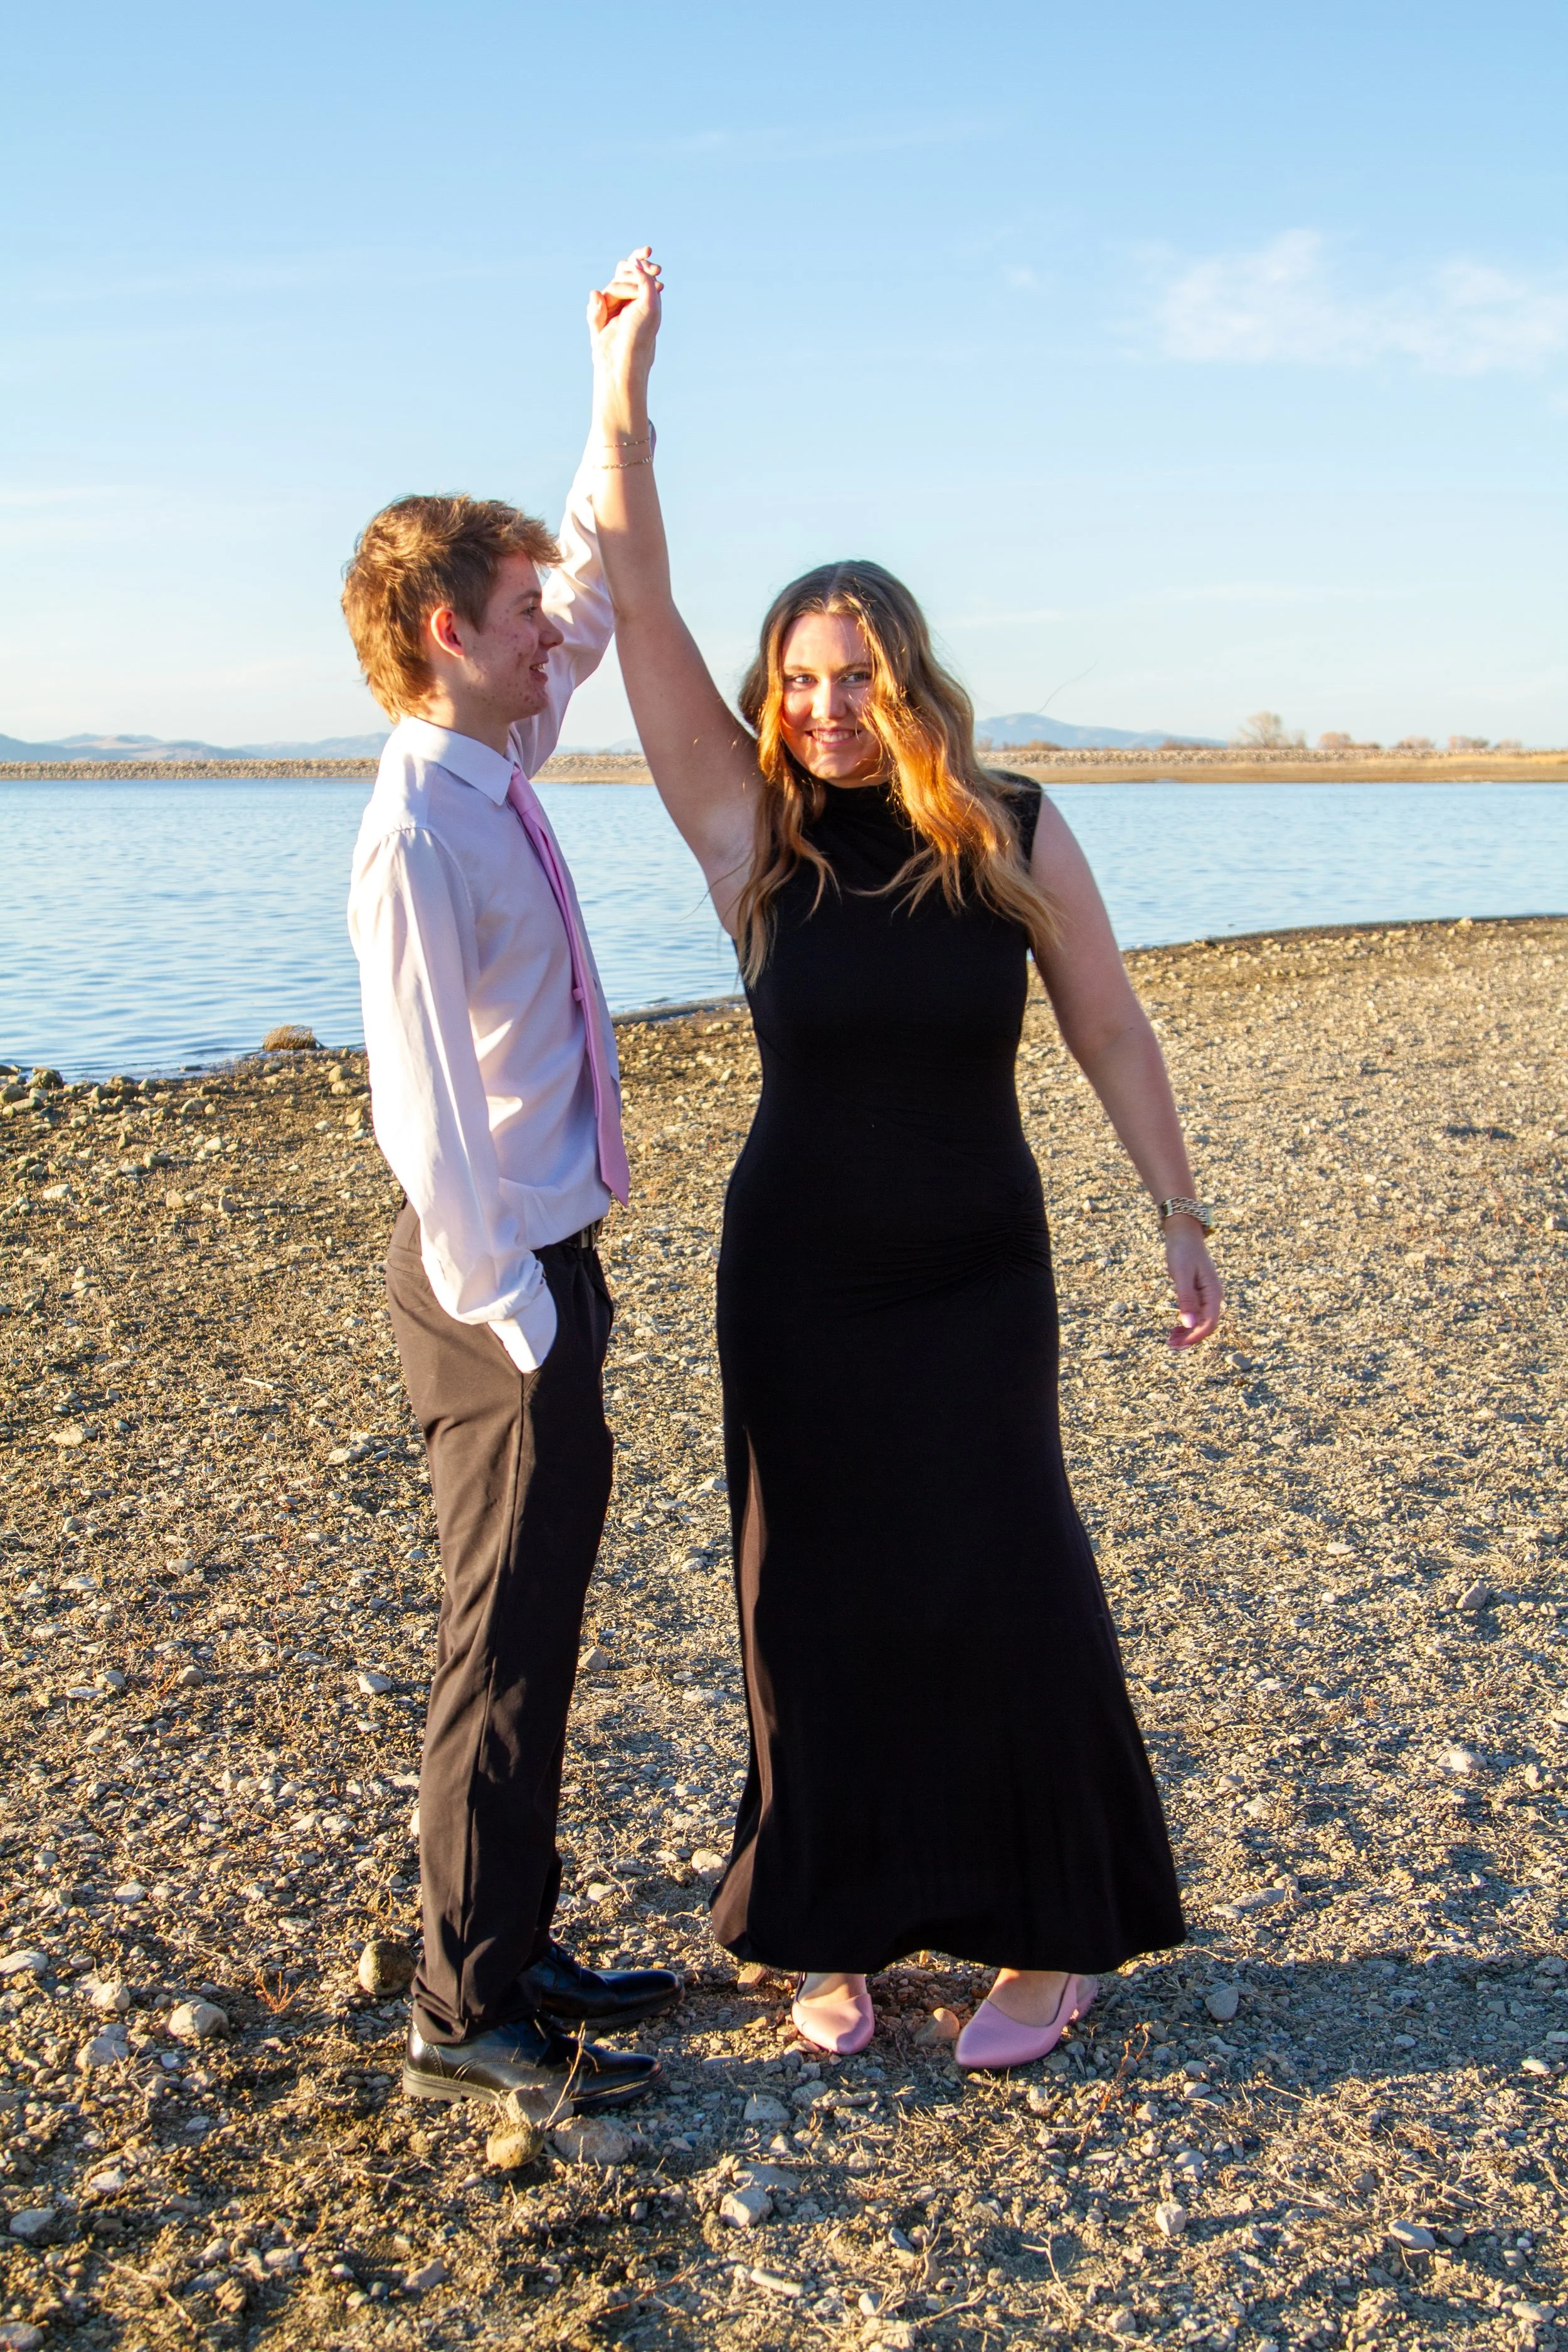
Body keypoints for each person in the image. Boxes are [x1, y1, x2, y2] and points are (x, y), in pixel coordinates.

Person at [583, 253, 1221, 2067]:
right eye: (798, 678)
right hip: (796, 1275)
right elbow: (635, 595)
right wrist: (624, 394)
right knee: (807, 1590)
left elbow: (1108, 1024)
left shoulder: (1008, 825)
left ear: (908, 672)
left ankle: (1053, 1933)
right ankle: (826, 1924)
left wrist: (1176, 1217)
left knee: (1007, 1568)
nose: (827, 707)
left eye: (853, 674)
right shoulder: (745, 829)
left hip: (971, 1267)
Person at [342, 253, 680, 2119]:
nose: (555, 633)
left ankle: (514, 1936)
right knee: (497, 1629)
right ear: (439, 627)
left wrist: (608, 382)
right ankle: (464, 2006)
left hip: (542, 1260)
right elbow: (420, 1118)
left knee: (542, 1618)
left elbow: (595, 584)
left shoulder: (494, 759)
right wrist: (523, 1307)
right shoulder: (410, 829)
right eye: (517, 616)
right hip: (493, 1284)